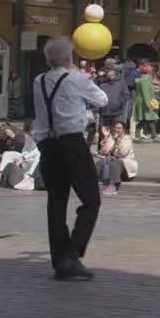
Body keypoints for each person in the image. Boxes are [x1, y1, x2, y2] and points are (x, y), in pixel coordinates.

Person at [33, 37, 109, 281]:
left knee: (56, 201)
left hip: (47, 143)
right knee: (91, 199)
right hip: (71, 142)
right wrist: (78, 75)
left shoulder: (38, 81)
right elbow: (102, 100)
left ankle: (60, 260)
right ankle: (72, 253)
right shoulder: (76, 78)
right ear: (69, 59)